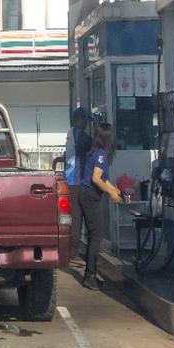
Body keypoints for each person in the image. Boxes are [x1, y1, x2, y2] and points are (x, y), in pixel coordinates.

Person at [77, 122, 122, 291]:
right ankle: (90, 275)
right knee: (97, 235)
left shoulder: (96, 153)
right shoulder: (101, 154)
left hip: (87, 194)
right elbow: (96, 178)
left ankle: (91, 274)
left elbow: (102, 179)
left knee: (94, 234)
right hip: (90, 196)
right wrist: (110, 192)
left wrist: (113, 189)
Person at [63, 108, 92, 266]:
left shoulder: (70, 133)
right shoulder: (78, 134)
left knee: (76, 217)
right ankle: (72, 252)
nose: (86, 124)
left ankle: (74, 250)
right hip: (76, 182)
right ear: (80, 120)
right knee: (77, 218)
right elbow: (91, 144)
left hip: (72, 180)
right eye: (85, 120)